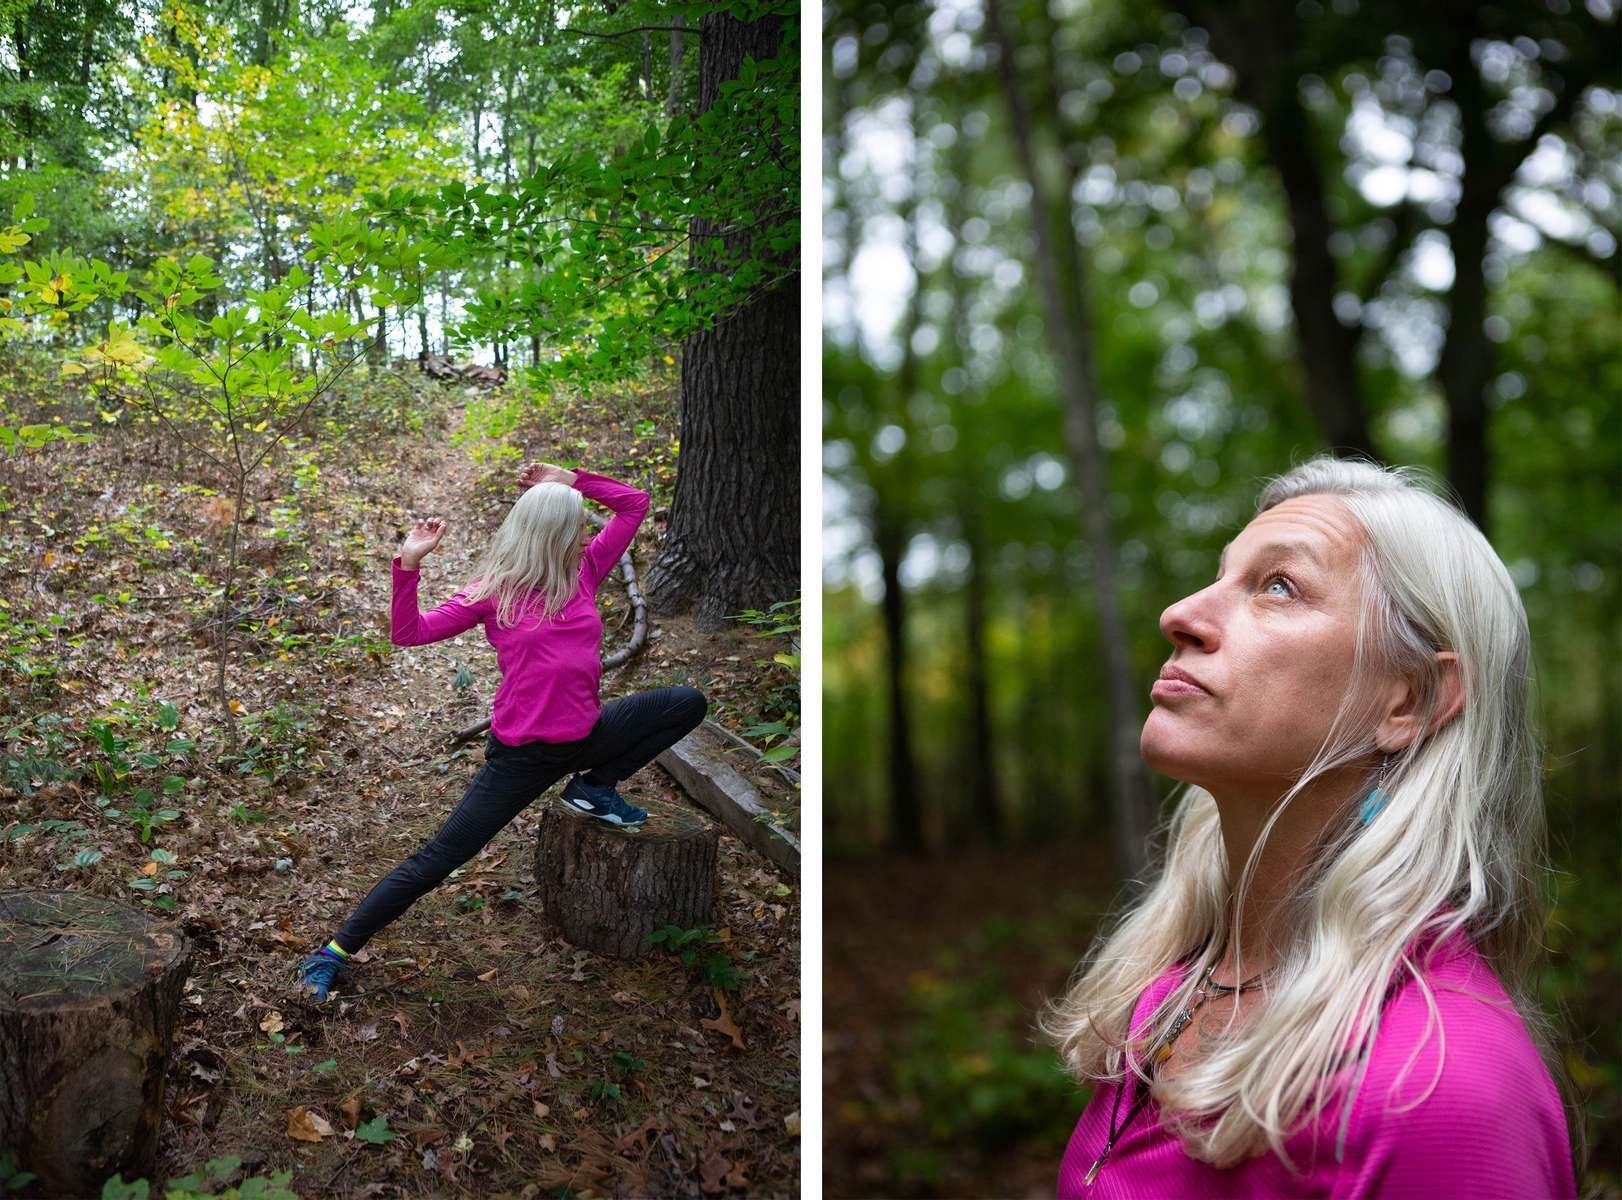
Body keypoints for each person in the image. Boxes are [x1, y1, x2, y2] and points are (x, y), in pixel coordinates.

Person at [1047, 456, 1579, 1197]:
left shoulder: (1438, 1089)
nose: (1181, 614)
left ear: (1412, 701)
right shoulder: (1167, 996)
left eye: (1277, 586)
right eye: (1222, 575)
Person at [296, 461, 706, 1005]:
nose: (585, 532)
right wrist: (408, 564)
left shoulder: (584, 571)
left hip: (586, 734)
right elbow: (407, 633)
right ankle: (332, 952)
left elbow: (634, 503)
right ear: (550, 533)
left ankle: (593, 789)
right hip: (522, 757)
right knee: (437, 859)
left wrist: (571, 477)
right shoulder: (494, 592)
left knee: (684, 702)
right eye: (575, 524)